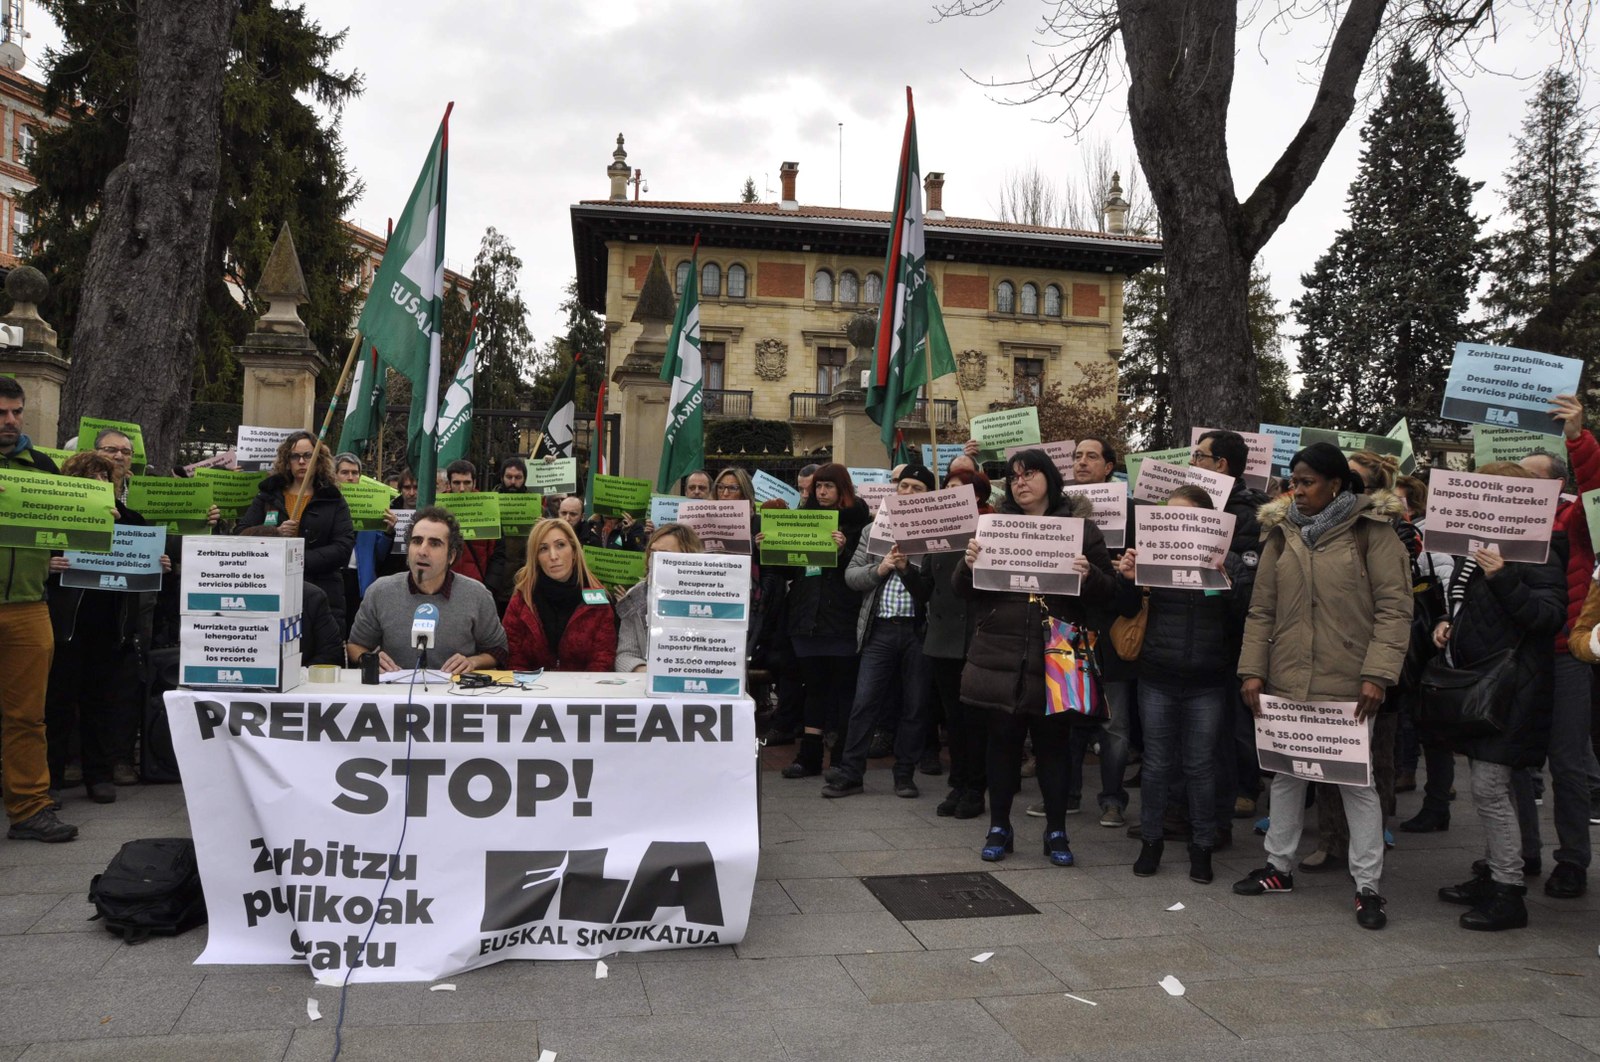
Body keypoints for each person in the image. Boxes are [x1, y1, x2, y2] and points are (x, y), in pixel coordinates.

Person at [1234, 442, 1412, 929]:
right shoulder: (1282, 533)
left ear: (1336, 484)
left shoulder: (1372, 534)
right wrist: (1253, 669)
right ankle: (1278, 867)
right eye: (1293, 481)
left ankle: (1368, 885)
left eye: (1308, 481)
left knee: (1357, 783)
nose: (1298, 490)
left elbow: (1396, 611)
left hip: (1349, 683)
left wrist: (1378, 675)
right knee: (1287, 774)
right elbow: (1262, 610)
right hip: (1288, 678)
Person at [956, 448, 1118, 867]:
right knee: (1003, 744)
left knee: (1054, 748)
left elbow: (1113, 596)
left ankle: (1057, 830)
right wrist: (968, 564)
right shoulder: (995, 527)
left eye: (1029, 474)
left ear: (1049, 479)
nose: (1019, 482)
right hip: (1001, 652)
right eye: (1013, 477)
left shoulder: (1080, 531)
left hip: (1057, 653)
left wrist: (1090, 576)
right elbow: (966, 591)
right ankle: (999, 826)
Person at [1431, 461, 1566, 930]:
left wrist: (1505, 576)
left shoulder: (1538, 550)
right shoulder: (1477, 546)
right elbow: (1464, 601)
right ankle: (1494, 874)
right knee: (1488, 787)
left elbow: (1549, 617)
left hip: (1513, 690)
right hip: (1481, 684)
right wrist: (1448, 623)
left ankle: (1509, 891)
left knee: (1489, 789)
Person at [1112, 485, 1248, 884]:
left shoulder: (1229, 561)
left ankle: (1202, 847)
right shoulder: (1149, 557)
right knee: (1155, 765)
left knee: (1200, 766)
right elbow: (1123, 610)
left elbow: (1243, 619)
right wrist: (1128, 580)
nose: (1176, 525)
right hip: (1157, 676)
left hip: (1207, 679)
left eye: (1184, 517)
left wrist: (1228, 584)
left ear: (1208, 522)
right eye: (1168, 516)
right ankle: (1150, 842)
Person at [1298, 449, 1415, 873]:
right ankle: (1331, 840)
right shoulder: (1303, 529)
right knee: (1328, 758)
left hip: (1372, 669)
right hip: (1325, 669)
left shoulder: (1384, 531)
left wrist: (1379, 672)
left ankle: (1370, 840)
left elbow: (1394, 608)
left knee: (1372, 762)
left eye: (1352, 479)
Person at [45, 451, 167, 804]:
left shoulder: (131, 520)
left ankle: (98, 775)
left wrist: (160, 562)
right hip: (67, 626)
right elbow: (35, 557)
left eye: (104, 478)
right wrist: (49, 564)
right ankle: (50, 778)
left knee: (102, 703)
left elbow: (146, 562)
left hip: (111, 627)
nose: (99, 484)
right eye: (90, 478)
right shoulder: (59, 520)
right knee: (59, 704)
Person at [822, 463, 939, 799]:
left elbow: (937, 588)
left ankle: (904, 775)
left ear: (930, 496)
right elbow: (852, 576)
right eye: (904, 487)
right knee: (864, 704)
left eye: (918, 489)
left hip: (919, 631)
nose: (909, 493)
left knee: (915, 707)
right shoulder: (875, 529)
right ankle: (851, 773)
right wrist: (882, 567)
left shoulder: (938, 531)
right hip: (880, 631)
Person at [0, 378, 78, 841]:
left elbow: (65, 527)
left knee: (27, 715)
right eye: (0, 414)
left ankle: (29, 807)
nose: (9, 422)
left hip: (29, 606)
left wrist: (92, 517)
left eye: (16, 412)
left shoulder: (44, 467)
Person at [776, 464, 870, 778]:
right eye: (818, 487)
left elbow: (859, 574)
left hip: (841, 619)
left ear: (843, 489)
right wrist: (770, 550)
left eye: (828, 486)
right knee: (813, 689)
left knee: (844, 691)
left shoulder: (859, 526)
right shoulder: (804, 522)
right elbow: (790, 572)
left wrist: (843, 551)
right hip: (807, 620)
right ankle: (810, 757)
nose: (822, 492)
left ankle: (844, 758)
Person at [346, 505, 508, 674]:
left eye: (434, 543)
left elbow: (498, 650)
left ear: (451, 556)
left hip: (456, 695)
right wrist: (369, 659)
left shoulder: (477, 594)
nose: (422, 551)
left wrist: (472, 662)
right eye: (416, 541)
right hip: (394, 695)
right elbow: (355, 645)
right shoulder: (380, 591)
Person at [926, 466, 992, 819]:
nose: (949, 495)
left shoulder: (990, 529)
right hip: (942, 638)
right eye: (947, 489)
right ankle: (958, 782)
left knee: (974, 719)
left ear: (977, 497)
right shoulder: (936, 531)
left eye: (958, 490)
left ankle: (975, 787)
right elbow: (926, 587)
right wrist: (905, 568)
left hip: (976, 635)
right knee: (953, 718)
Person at [237, 431, 356, 626]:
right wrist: (275, 533)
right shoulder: (267, 496)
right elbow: (241, 534)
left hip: (322, 594)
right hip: (273, 590)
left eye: (308, 455)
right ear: (286, 460)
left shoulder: (332, 499)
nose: (302, 461)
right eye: (295, 456)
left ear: (318, 460)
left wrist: (296, 560)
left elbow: (343, 547)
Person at [503, 518, 617, 671]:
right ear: (535, 558)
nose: (553, 556)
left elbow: (602, 660)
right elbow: (514, 659)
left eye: (560, 545)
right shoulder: (522, 599)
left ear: (575, 551)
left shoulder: (598, 601)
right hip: (532, 691)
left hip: (584, 690)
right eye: (543, 549)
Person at [615, 523, 704, 672]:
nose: (654, 559)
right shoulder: (636, 596)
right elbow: (626, 655)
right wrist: (648, 673)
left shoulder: (712, 597)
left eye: (663, 554)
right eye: (652, 552)